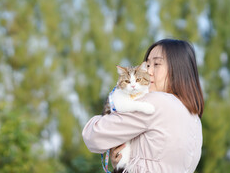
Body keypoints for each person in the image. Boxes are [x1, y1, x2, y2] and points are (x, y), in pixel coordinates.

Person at [82, 39, 204, 173]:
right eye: (147, 65)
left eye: (156, 64)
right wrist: (124, 164)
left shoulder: (156, 102)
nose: (148, 71)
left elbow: (94, 135)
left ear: (178, 70)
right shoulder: (194, 119)